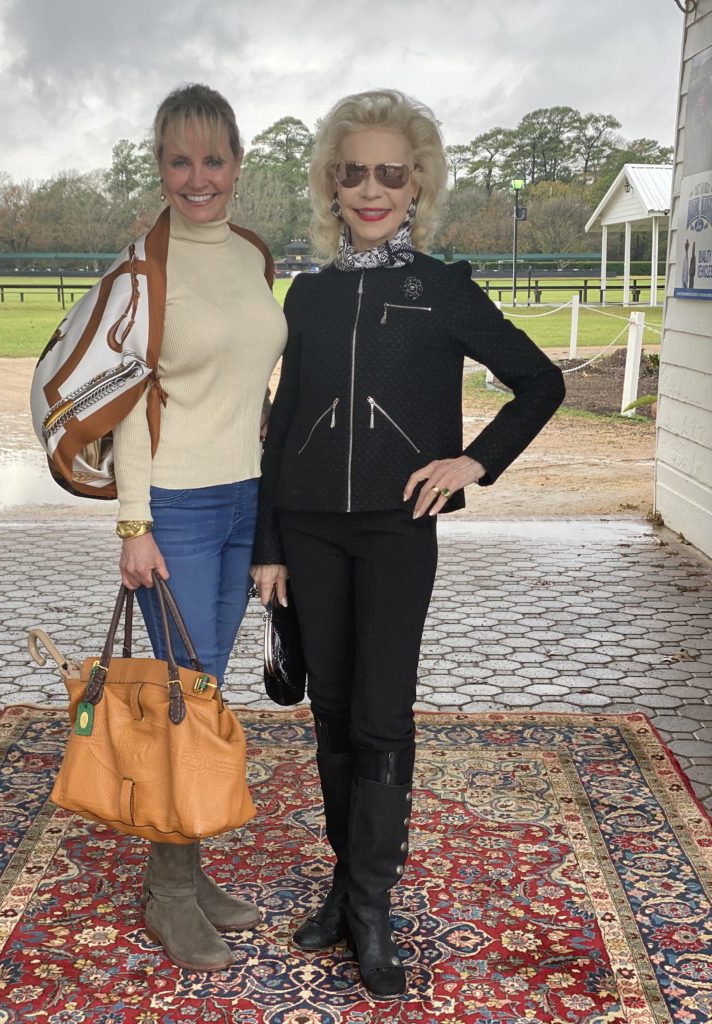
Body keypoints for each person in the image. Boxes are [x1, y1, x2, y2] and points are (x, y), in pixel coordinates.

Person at [251, 89, 565, 1000]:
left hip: (396, 534)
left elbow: (538, 382)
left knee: (383, 715)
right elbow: (280, 424)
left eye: (392, 171)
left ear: (417, 181)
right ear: (332, 184)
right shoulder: (306, 295)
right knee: (332, 709)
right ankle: (346, 888)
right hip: (308, 531)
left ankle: (373, 909)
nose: (372, 188)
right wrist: (268, 544)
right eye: (355, 172)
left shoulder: (446, 289)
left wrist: (475, 461)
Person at [112, 84, 287, 972]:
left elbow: (247, 385)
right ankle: (168, 894)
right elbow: (124, 401)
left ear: (236, 163)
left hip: (243, 501)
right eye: (178, 160)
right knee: (184, 699)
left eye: (212, 158)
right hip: (173, 507)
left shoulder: (253, 255)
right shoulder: (145, 267)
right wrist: (133, 524)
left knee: (205, 697)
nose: (197, 177)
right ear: (161, 167)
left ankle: (185, 869)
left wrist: (270, 518)